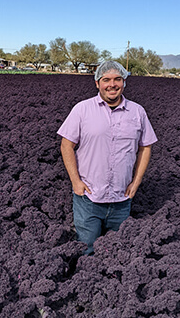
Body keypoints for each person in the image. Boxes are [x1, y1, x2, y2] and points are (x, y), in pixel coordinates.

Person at [57, 61, 158, 255]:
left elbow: (146, 147)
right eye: (106, 80)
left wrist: (136, 183)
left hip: (122, 199)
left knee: (117, 251)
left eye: (117, 79)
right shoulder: (82, 110)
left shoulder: (138, 112)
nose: (112, 84)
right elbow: (66, 145)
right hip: (89, 198)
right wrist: (76, 182)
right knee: (86, 248)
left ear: (124, 82)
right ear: (97, 83)